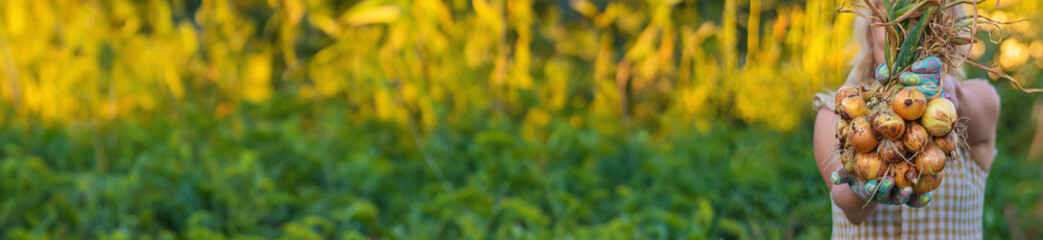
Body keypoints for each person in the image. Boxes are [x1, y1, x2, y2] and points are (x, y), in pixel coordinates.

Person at [811, 1, 1000, 239]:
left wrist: (944, 90)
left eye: (925, 17)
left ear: (951, 33)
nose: (910, 30)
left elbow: (965, 104)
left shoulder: (979, 98)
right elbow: (850, 208)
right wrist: (861, 191)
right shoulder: (837, 112)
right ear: (869, 30)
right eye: (895, 15)